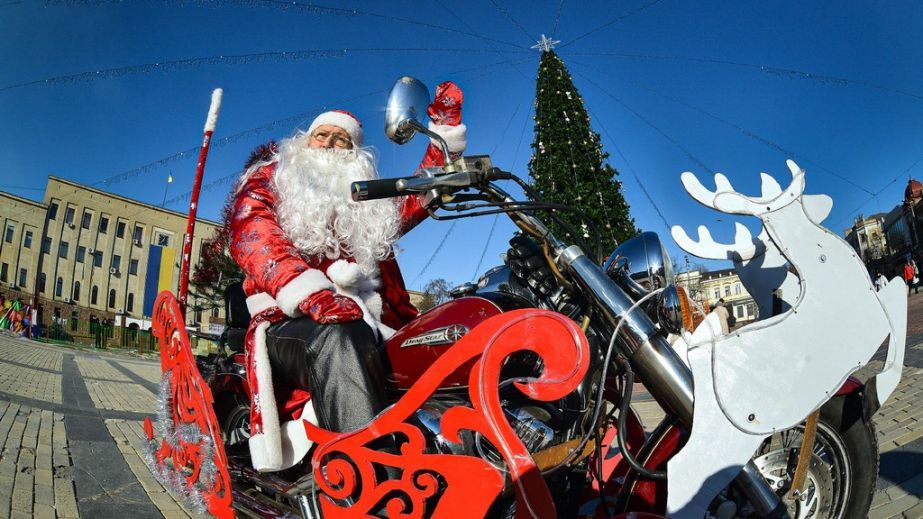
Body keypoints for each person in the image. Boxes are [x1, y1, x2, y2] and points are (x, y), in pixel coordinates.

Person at [230, 83, 466, 472]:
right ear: (304, 143)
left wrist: (443, 128)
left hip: (372, 322)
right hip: (287, 319)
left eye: (343, 140)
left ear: (355, 154)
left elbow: (422, 191)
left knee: (448, 334)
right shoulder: (273, 180)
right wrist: (308, 292)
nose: (330, 143)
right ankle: (373, 491)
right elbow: (252, 232)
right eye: (322, 135)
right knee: (341, 334)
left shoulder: (365, 203)